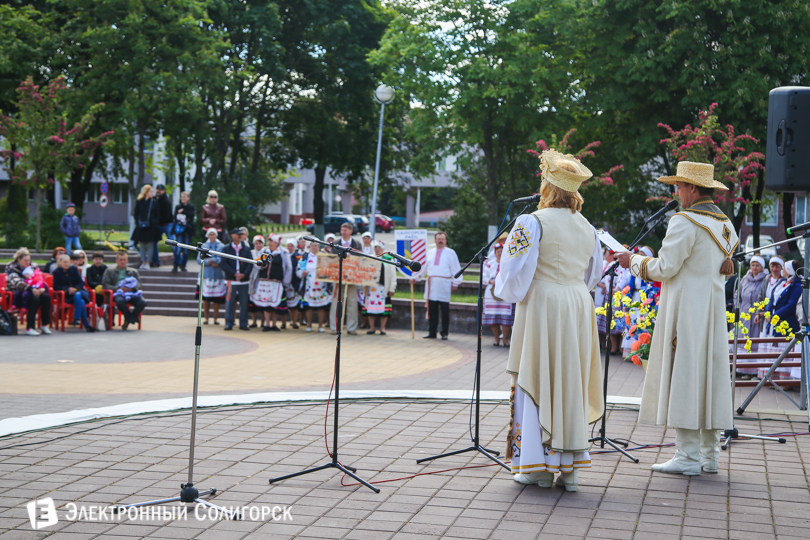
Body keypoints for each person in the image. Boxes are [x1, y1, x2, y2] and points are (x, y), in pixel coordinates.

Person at [617, 161, 738, 476]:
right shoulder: (725, 223)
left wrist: (633, 262)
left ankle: (686, 456)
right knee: (708, 378)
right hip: (712, 313)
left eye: (679, 186)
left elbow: (665, 267)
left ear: (693, 188)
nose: (676, 192)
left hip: (687, 311)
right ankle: (709, 457)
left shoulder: (685, 221)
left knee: (686, 376)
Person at [494, 150, 603, 492]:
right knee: (569, 379)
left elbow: (512, 272)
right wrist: (573, 290)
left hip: (543, 303)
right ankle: (569, 468)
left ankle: (537, 467)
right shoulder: (588, 227)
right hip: (576, 304)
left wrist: (510, 291)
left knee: (539, 378)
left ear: (546, 185)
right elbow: (594, 273)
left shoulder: (532, 221)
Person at [413, 231, 462, 340]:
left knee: (445, 311)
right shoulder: (430, 252)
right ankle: (432, 332)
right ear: (435, 240)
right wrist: (416, 278)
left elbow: (456, 268)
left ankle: (444, 333)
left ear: (445, 240)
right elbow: (424, 268)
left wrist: (456, 282)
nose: (440, 241)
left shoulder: (451, 253)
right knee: (432, 310)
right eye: (438, 239)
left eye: (442, 239)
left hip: (444, 285)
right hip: (432, 285)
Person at [250, 234, 292, 331]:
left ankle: (274, 324)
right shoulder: (264, 251)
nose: (269, 243)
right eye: (268, 241)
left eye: (271, 241)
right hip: (264, 281)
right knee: (266, 302)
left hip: (276, 282)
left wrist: (286, 281)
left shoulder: (283, 252)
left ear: (276, 242)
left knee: (275, 303)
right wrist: (261, 266)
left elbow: (288, 268)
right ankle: (267, 324)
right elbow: (256, 264)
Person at [7, 248, 53, 336]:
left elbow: (39, 278)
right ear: (19, 260)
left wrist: (41, 288)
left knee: (46, 297)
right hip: (18, 295)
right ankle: (30, 328)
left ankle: (44, 325)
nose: (27, 262)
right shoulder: (12, 269)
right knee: (34, 299)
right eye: (25, 260)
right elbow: (17, 283)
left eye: (29, 260)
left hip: (35, 290)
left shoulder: (33, 267)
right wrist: (32, 289)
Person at [734, 255, 767, 378]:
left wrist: (759, 311)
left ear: (762, 267)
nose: (754, 267)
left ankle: (753, 371)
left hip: (756, 316)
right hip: (744, 314)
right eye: (753, 265)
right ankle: (742, 369)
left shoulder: (765, 279)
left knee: (754, 342)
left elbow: (764, 296)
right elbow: (738, 295)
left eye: (757, 265)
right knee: (743, 341)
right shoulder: (744, 279)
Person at [329, 222, 362, 334]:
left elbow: (360, 259)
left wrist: (350, 257)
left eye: (345, 230)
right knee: (336, 301)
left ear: (351, 231)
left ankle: (351, 328)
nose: (343, 232)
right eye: (342, 230)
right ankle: (335, 327)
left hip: (352, 277)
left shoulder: (357, 243)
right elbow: (331, 259)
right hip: (338, 276)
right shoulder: (335, 243)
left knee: (352, 301)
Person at [102, 252, 147, 330]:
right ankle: (131, 318)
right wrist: (118, 288)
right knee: (120, 302)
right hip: (118, 293)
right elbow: (105, 284)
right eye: (120, 260)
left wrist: (131, 289)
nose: (122, 261)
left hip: (132, 292)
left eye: (124, 260)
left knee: (142, 302)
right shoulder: (109, 271)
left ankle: (129, 319)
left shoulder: (133, 271)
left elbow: (139, 284)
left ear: (127, 261)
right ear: (116, 260)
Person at [52, 254, 96, 332]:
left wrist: (75, 289)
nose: (66, 264)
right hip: (68, 296)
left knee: (78, 294)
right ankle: (87, 325)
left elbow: (81, 283)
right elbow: (56, 287)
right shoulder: (56, 272)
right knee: (81, 302)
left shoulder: (74, 269)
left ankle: (77, 318)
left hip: (80, 292)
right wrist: (67, 289)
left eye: (68, 262)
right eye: (64, 262)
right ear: (60, 262)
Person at [482, 242, 514, 347]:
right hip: (491, 292)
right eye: (498, 251)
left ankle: (505, 339)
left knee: (506, 317)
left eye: (502, 251)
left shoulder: (510, 263)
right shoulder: (489, 263)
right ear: (495, 253)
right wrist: (491, 282)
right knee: (493, 316)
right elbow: (484, 277)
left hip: (505, 291)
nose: (500, 253)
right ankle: (496, 339)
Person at [221, 228, 252, 330]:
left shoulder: (246, 248)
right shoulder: (226, 248)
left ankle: (243, 323)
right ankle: (229, 322)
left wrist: (244, 274)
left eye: (241, 234)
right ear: (232, 235)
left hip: (243, 280)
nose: (240, 236)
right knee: (230, 302)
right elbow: (224, 263)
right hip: (231, 280)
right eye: (237, 234)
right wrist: (233, 273)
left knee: (244, 303)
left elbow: (250, 263)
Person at [298, 240, 331, 332]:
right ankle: (309, 325)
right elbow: (298, 269)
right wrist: (302, 273)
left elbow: (330, 268)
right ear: (309, 247)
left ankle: (321, 325)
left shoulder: (324, 256)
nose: (314, 247)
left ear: (319, 247)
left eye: (316, 245)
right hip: (309, 286)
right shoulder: (305, 257)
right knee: (309, 306)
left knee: (321, 306)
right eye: (312, 245)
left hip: (321, 286)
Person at [364, 241, 396, 335]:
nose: (377, 249)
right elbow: (365, 272)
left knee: (384, 310)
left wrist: (392, 288)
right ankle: (372, 327)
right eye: (375, 247)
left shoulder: (388, 259)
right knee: (370, 309)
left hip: (383, 287)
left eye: (379, 247)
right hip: (372, 287)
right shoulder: (370, 258)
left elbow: (393, 275)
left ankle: (382, 328)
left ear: (382, 249)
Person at [198, 229, 227, 325]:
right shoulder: (203, 246)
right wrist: (208, 262)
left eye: (213, 234)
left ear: (216, 235)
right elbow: (199, 259)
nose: (212, 236)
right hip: (207, 275)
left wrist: (216, 261)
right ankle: (206, 318)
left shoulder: (222, 246)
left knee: (217, 298)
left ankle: (216, 318)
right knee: (206, 298)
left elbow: (224, 257)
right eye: (210, 234)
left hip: (218, 275)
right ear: (207, 235)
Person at [131, 185, 160, 270]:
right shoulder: (139, 201)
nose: (152, 193)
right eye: (151, 191)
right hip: (141, 226)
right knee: (142, 244)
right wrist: (138, 221)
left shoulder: (154, 202)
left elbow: (158, 214)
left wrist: (154, 223)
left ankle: (148, 262)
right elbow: (136, 213)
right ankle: (143, 261)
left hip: (151, 226)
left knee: (151, 245)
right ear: (146, 192)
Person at [756, 256, 785, 335]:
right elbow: (761, 297)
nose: (774, 269)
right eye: (772, 266)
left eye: (777, 267)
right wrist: (758, 312)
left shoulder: (783, 280)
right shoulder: (767, 278)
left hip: (775, 315)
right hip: (765, 315)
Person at [171, 191, 195, 273]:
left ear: (188, 198)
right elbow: (175, 217)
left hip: (187, 230)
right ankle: (175, 265)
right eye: (181, 197)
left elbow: (192, 215)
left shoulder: (191, 207)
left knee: (186, 249)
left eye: (184, 197)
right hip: (179, 230)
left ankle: (183, 265)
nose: (183, 198)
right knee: (178, 248)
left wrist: (184, 212)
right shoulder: (178, 206)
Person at [151, 184, 173, 268]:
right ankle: (156, 261)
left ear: (163, 191)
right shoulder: (153, 200)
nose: (158, 191)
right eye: (157, 189)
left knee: (172, 243)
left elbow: (166, 216)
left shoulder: (166, 201)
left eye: (160, 189)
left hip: (167, 224)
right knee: (153, 243)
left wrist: (156, 220)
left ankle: (178, 261)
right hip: (158, 225)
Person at [248, 235, 267, 328]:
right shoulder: (250, 252)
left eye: (260, 243)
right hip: (252, 278)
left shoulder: (266, 253)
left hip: (262, 279)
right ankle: (254, 321)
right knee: (252, 302)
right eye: (256, 243)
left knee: (262, 302)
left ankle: (263, 322)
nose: (258, 245)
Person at [284, 238, 302, 329]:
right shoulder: (283, 255)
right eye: (288, 246)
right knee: (284, 303)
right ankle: (284, 322)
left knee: (294, 305)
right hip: (285, 283)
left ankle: (294, 321)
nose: (289, 248)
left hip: (294, 283)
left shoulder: (298, 256)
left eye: (291, 246)